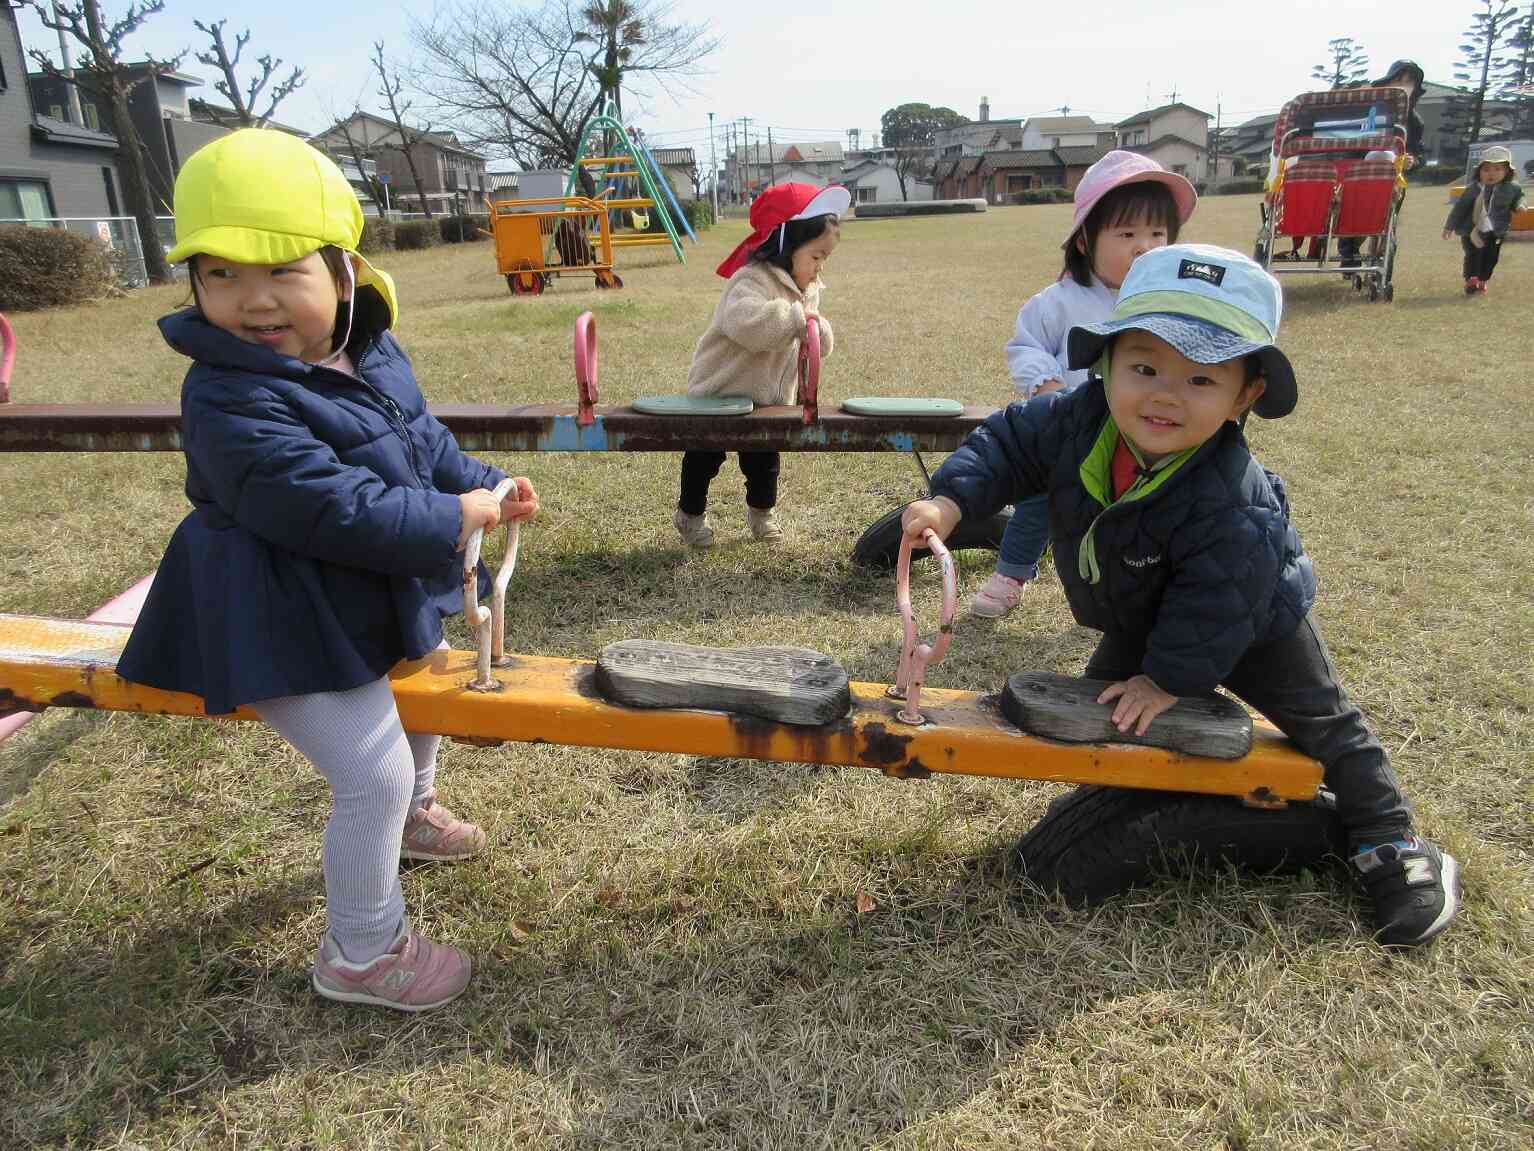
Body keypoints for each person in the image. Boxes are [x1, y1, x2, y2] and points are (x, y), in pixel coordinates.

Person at [901, 244, 1460, 947]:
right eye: (1144, 368)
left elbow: (1220, 602)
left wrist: (1166, 679)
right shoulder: (1078, 422)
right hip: (1145, 604)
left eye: (1200, 377)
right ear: (1104, 363)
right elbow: (1009, 445)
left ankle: (1392, 841)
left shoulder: (1232, 496)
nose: (1164, 395)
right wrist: (951, 500)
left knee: (1325, 722)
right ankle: (1136, 802)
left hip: (1255, 620)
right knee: (1101, 708)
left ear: (1245, 395)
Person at [116, 130, 542, 1011]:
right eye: (221, 274)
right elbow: (324, 505)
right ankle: (361, 949)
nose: (253, 301)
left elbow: (420, 443)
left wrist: (481, 483)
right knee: (370, 771)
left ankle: (415, 820)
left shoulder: (369, 349)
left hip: (360, 585)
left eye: (282, 272)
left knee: (415, 693)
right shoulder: (228, 392)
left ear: (344, 270)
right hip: (274, 604)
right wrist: (446, 516)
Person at [974, 151, 1196, 617]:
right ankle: (1011, 574)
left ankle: (1129, 596)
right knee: (1038, 505)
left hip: (1140, 438)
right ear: (1085, 242)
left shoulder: (1171, 305)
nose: (1145, 247)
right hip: (1068, 430)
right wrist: (1046, 384)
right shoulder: (1060, 302)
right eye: (1127, 234)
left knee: (1133, 519)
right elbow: (1026, 345)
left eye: (1158, 234)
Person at [673, 182, 847, 548]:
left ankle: (762, 514)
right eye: (815, 257)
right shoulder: (750, 279)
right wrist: (798, 318)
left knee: (764, 461)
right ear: (786, 245)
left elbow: (815, 337)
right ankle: (689, 514)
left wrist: (819, 331)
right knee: (704, 457)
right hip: (719, 393)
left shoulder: (805, 290)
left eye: (825, 259)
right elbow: (748, 325)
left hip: (767, 400)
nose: (819, 268)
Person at [1444, 144, 1525, 295]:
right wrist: (1449, 226)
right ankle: (1471, 279)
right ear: (1479, 171)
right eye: (1486, 169)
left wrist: (1520, 206)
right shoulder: (1474, 189)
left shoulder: (1512, 188)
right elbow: (1460, 208)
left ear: (1507, 171)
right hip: (1472, 230)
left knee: (1491, 257)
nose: (1491, 174)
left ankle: (1483, 279)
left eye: (1497, 169)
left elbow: (1518, 199)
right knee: (1473, 253)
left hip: (1496, 231)